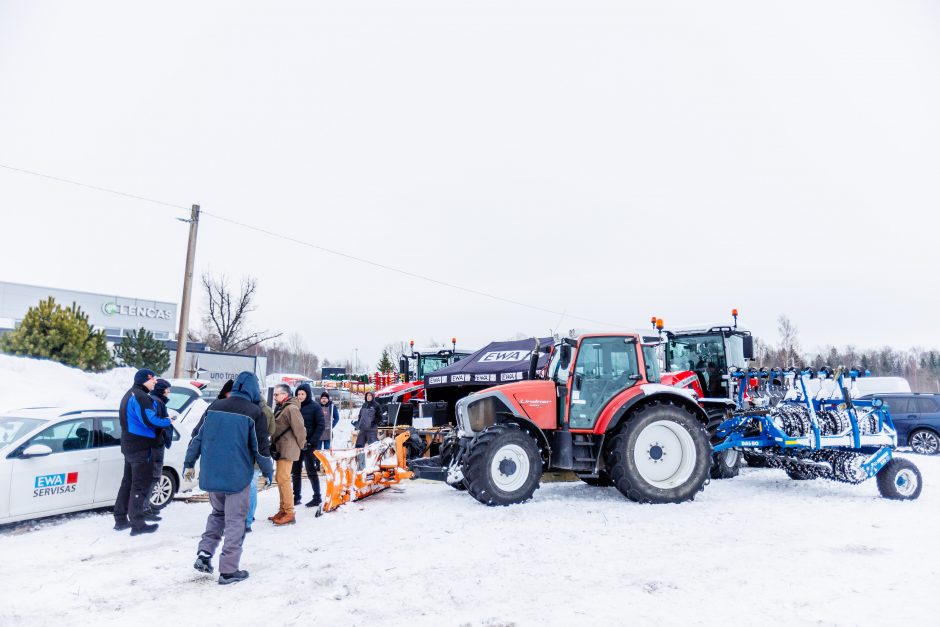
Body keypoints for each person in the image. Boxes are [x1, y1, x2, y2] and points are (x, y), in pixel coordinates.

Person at [184, 371, 273, 586]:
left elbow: (197, 438)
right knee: (235, 521)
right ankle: (228, 570)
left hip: (212, 474)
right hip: (237, 476)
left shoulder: (215, 406)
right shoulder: (253, 412)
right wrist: (268, 471)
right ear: (253, 388)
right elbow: (261, 448)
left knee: (217, 514)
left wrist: (189, 463)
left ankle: (204, 554)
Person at [114, 369, 172, 536]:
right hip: (141, 448)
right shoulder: (141, 396)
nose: (155, 382)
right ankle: (138, 524)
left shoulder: (128, 394)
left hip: (129, 445)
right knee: (139, 486)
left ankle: (120, 519)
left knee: (127, 483)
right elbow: (149, 420)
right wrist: (167, 421)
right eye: (153, 379)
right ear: (144, 380)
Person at [269, 384, 306, 525]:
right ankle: (283, 509)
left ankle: (289, 512)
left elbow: (300, 429)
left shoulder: (291, 408)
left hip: (288, 448)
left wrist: (302, 445)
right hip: (281, 448)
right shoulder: (283, 408)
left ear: (285, 395)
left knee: (283, 479)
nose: (274, 397)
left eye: (276, 395)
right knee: (280, 478)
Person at [141, 378, 174, 521]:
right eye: (167, 389)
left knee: (152, 477)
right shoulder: (156, 402)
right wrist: (167, 423)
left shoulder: (155, 401)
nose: (169, 392)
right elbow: (152, 423)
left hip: (154, 445)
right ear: (162, 389)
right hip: (154, 446)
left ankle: (145, 507)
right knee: (152, 477)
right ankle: (144, 509)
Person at [292, 384, 324, 508]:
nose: (300, 396)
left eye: (302, 394)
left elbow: (321, 425)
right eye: (298, 394)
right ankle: (296, 497)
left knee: (311, 471)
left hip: (309, 444)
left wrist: (312, 441)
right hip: (296, 444)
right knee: (295, 472)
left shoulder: (315, 407)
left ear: (307, 395)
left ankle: (317, 497)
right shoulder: (294, 407)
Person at [246, 396, 275, 532]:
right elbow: (272, 430)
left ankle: (246, 519)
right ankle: (250, 516)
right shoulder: (268, 410)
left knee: (247, 487)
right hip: (260, 453)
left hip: (246, 454)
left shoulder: (247, 409)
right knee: (252, 486)